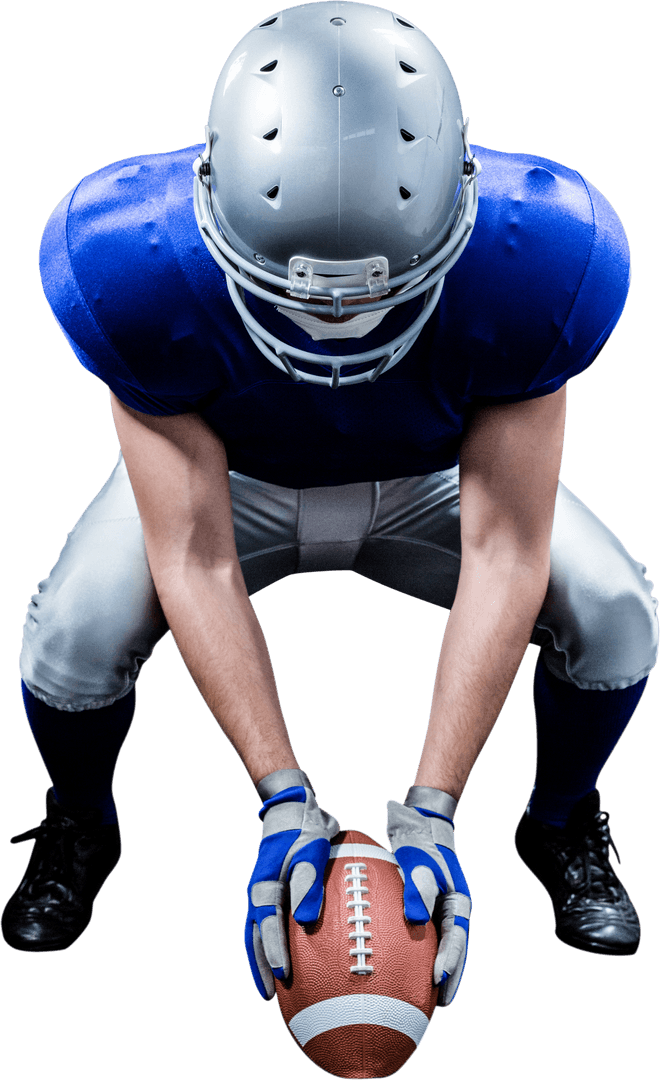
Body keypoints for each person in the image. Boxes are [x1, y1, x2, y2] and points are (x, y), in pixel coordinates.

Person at [2, 1, 656, 1011]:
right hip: (234, 479)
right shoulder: (127, 260)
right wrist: (283, 799)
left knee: (618, 614)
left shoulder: (541, 261)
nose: (336, 327)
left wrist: (433, 809)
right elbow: (194, 555)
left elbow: (505, 549)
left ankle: (561, 817)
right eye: (300, 298)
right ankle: (81, 818)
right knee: (68, 635)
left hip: (434, 476)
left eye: (373, 297)